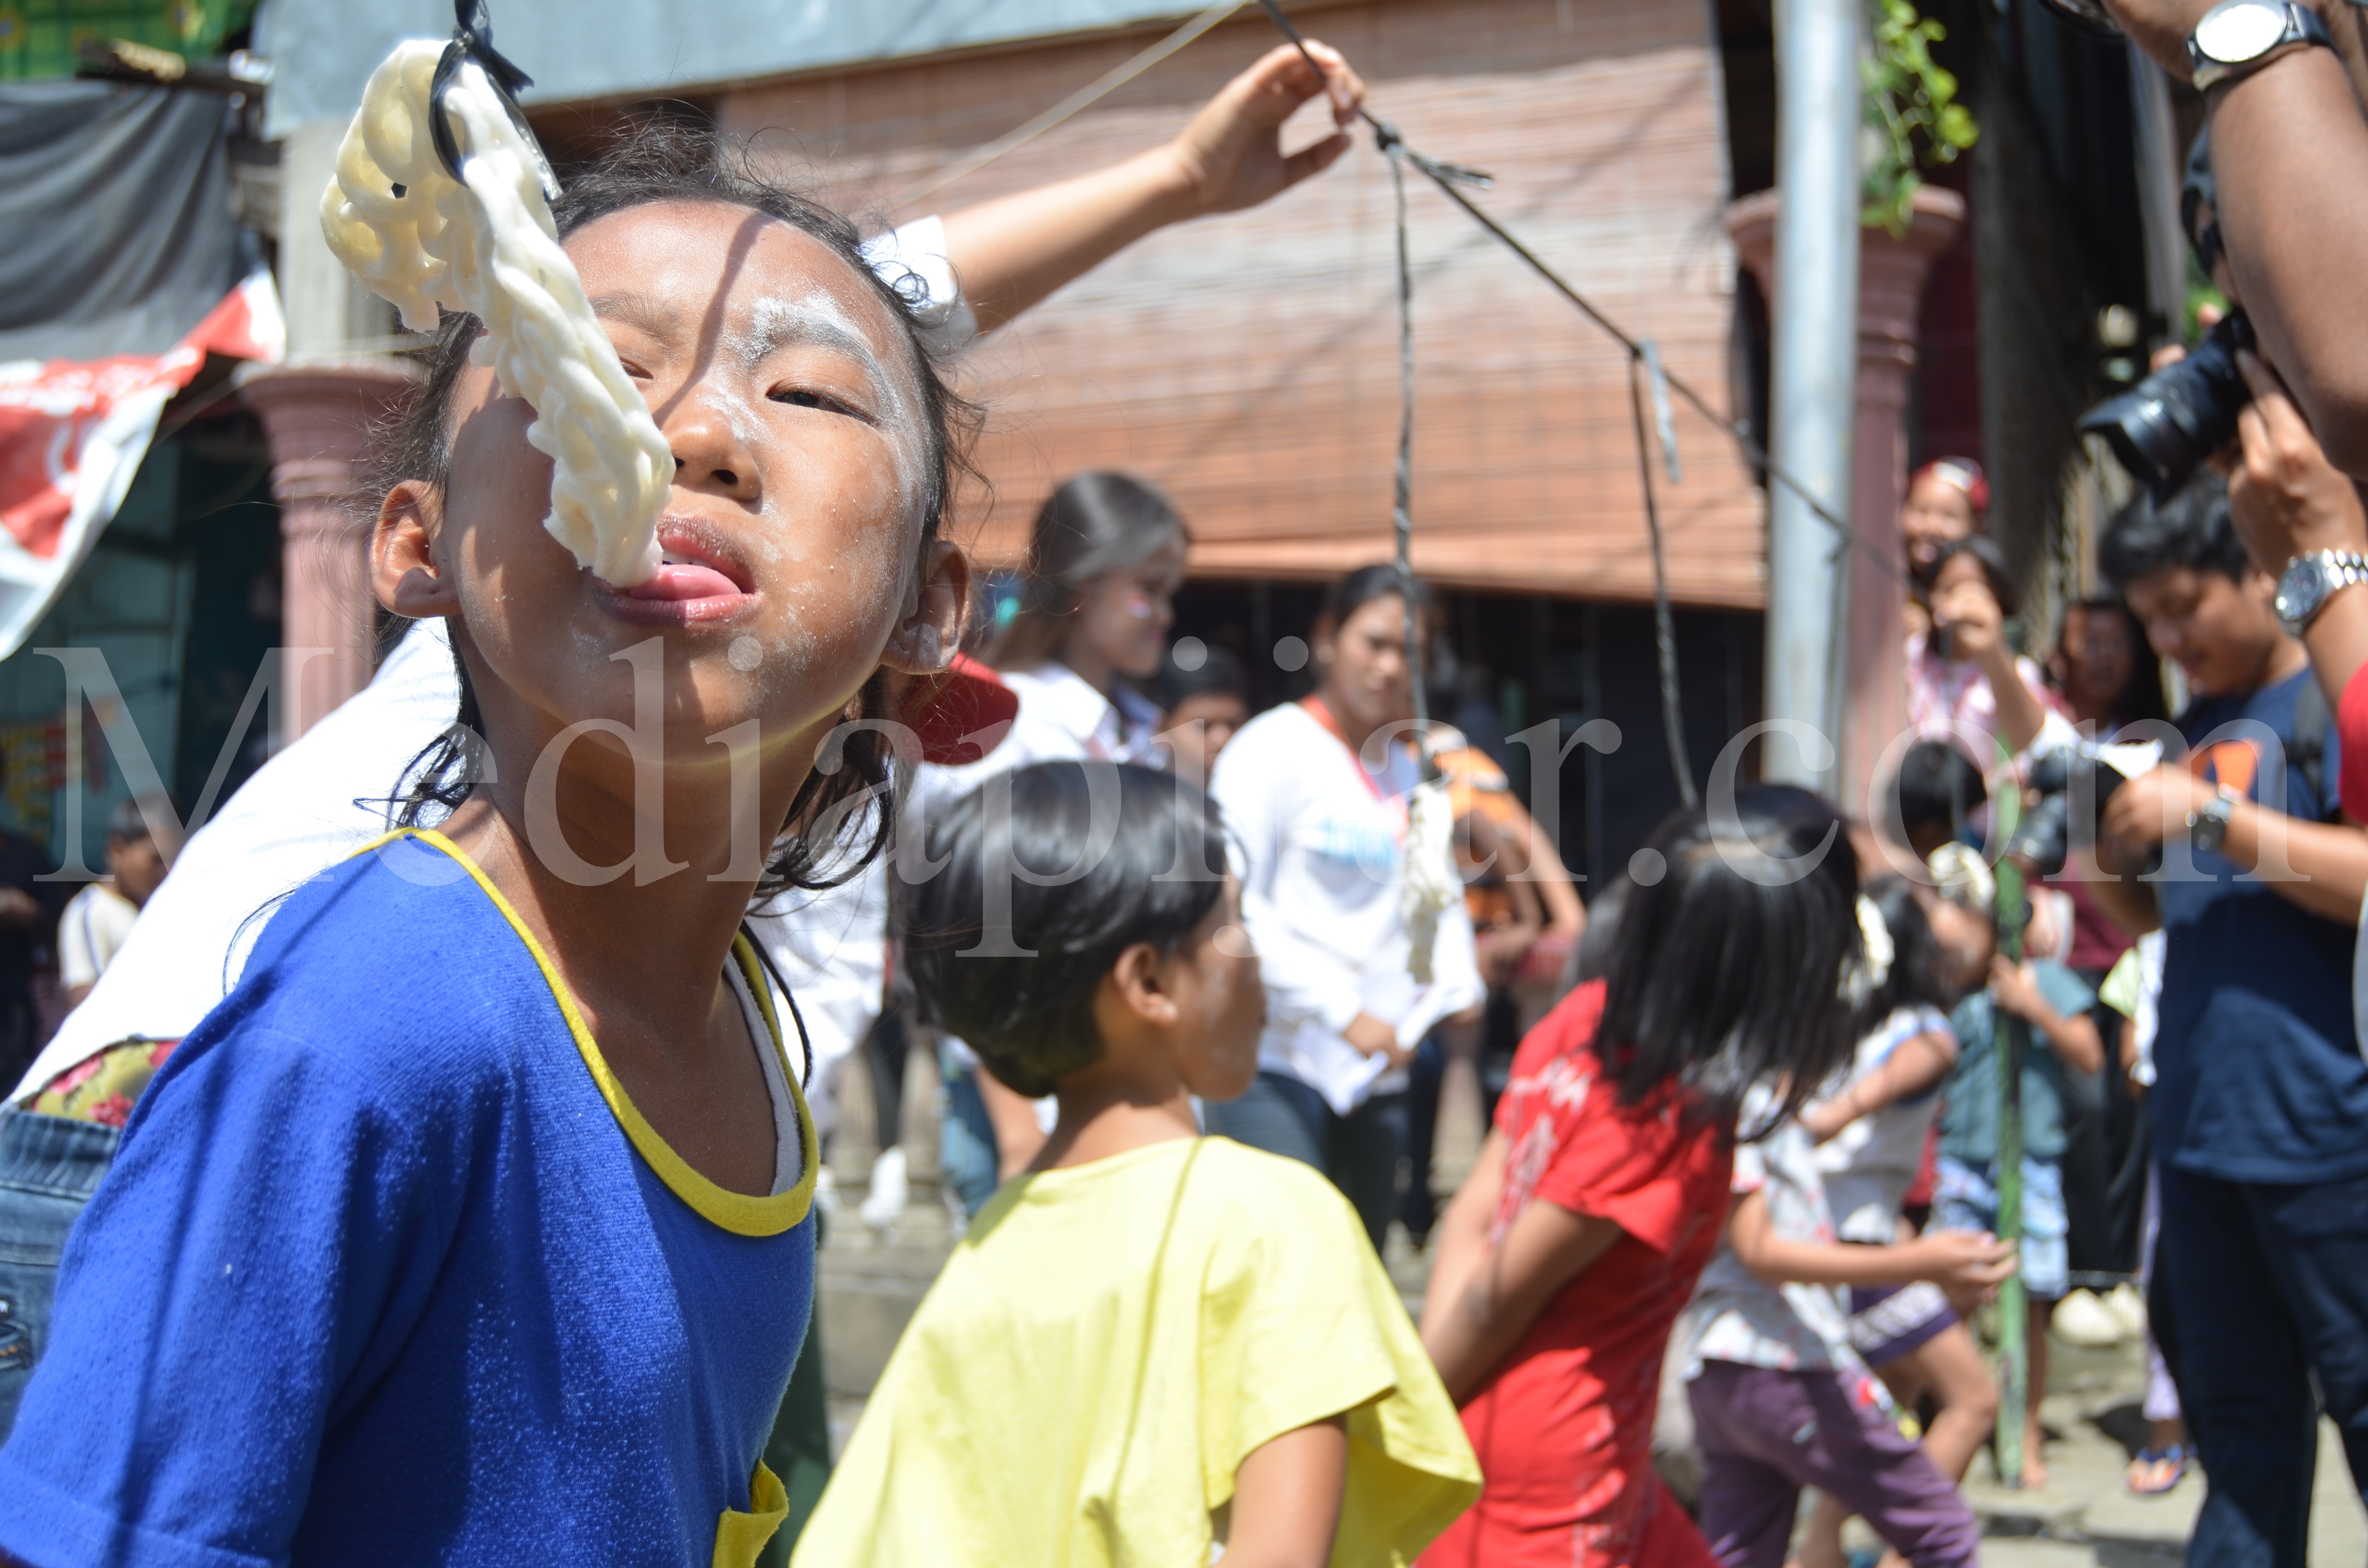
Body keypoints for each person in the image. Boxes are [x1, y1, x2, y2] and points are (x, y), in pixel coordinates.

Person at [0, 129, 993, 1567]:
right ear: (417, 543)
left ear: (928, 603)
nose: (690, 437)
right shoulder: (373, 1020)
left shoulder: (749, 1043)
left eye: (807, 390)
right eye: (590, 373)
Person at [797, 761, 1480, 1566]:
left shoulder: (989, 1246)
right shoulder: (1271, 1215)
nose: (1256, 958)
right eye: (1233, 921)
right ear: (1149, 980)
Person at [1417, 787, 1875, 1568]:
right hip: (1554, 1485)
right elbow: (1498, 1291)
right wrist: (1406, 1432)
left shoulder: (1582, 1016)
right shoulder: (1665, 1125)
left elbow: (1473, 1215)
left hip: (1555, 1449)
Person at [2085, 476, 2368, 1568]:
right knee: (2241, 1431)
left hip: (2331, 1139)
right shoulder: (2191, 725)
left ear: (2259, 571)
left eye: (2182, 605)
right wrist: (2115, 847)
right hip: (2203, 1140)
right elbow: (2160, 919)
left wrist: (2209, 813)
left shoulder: (2333, 701)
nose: (2166, 636)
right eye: (2146, 615)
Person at [926, 469, 1198, 1193]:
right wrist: (1019, 1132)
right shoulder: (1002, 720)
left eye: (1171, 591)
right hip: (1023, 1093)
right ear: (1085, 581)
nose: (1164, 613)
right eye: (1150, 587)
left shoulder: (1140, 733)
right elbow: (972, 926)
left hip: (1125, 1090)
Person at [1205, 564, 1484, 1247]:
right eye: (1376, 643)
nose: (1391, 666)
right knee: (1288, 1263)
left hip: (1376, 1071)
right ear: (1327, 639)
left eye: (1411, 652)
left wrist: (1457, 986)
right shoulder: (1269, 750)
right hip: (1276, 1059)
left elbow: (1433, 899)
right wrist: (1340, 1011)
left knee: (1358, 1271)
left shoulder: (1406, 768)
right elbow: (1232, 903)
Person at [1677, 1078, 2011, 1568]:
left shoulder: (1738, 1096)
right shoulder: (1742, 1100)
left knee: (1738, 1554)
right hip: (1779, 1357)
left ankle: (1820, 1548)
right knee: (1944, 1531)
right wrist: (1919, 1261)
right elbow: (1760, 1253)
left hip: (1720, 1368)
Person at [1795, 875, 2000, 1568]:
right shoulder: (1928, 1033)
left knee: (1890, 1396)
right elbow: (1842, 1114)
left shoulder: (1843, 1020)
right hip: (1857, 1244)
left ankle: (1818, 1546)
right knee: (1974, 1399)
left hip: (1838, 1236)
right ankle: (1902, 1557)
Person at [1926, 842, 2101, 1488]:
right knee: (1958, 1296)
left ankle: (2025, 1430)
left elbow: (2089, 1055)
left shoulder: (2045, 978)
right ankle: (1961, 1417)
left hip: (2030, 1162)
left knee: (2032, 1302)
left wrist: (2035, 1010)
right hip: (1962, 1160)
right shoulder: (1950, 992)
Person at [1907, 535, 2052, 767]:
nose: (1963, 602)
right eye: (1949, 589)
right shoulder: (1911, 658)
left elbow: (2033, 743)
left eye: (1976, 590)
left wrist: (1993, 655)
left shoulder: (2017, 672)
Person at [56, 801, 164, 1011]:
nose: (164, 871)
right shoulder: (92, 912)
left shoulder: (156, 909)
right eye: (155, 860)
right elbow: (86, 1002)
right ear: (117, 850)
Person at [1153, 640, 1249, 790]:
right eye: (1203, 726)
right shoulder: (1137, 802)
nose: (1222, 739)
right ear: (1163, 728)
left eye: (1234, 725)